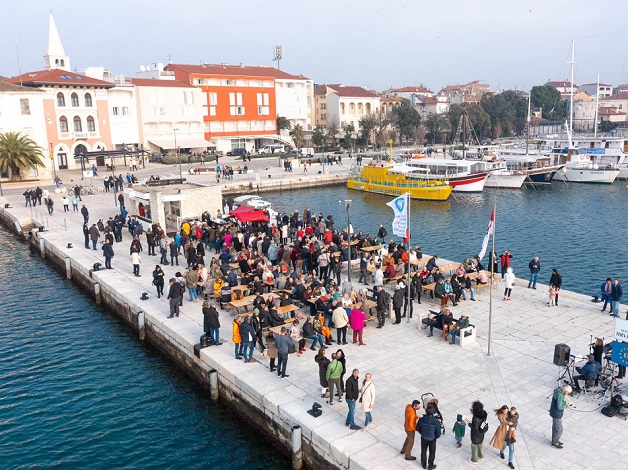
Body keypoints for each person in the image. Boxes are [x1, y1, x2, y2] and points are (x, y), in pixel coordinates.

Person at [417, 402, 442, 470]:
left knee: (423, 451)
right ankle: (430, 466)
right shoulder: (435, 421)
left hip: (423, 438)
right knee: (432, 452)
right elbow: (438, 433)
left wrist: (423, 433)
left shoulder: (421, 419)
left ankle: (423, 465)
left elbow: (418, 428)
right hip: (432, 439)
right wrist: (435, 437)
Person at [549, 384, 572, 449]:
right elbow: (559, 407)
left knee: (555, 428)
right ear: (565, 390)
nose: (567, 394)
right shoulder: (559, 395)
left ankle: (555, 440)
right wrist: (566, 405)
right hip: (557, 414)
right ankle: (555, 443)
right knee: (559, 429)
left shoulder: (558, 392)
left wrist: (563, 402)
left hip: (554, 413)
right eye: (568, 392)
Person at [467, 400, 489, 465]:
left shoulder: (475, 418)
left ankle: (474, 460)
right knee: (480, 444)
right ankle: (481, 456)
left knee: (474, 446)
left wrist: (469, 423)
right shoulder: (484, 414)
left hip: (475, 435)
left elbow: (475, 427)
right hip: (481, 433)